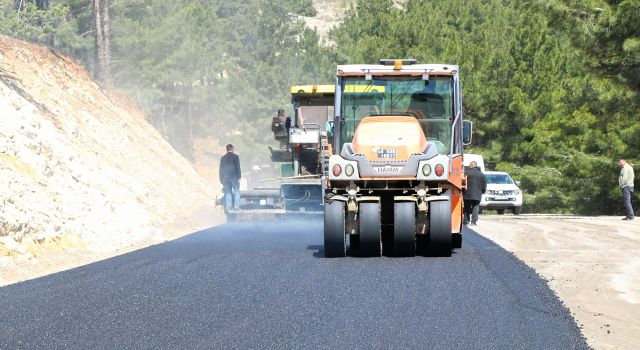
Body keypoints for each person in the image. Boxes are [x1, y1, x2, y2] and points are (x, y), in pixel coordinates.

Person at [219, 144, 241, 212]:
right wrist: (239, 176)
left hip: (226, 178)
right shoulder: (236, 156)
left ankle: (228, 207)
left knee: (228, 192)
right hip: (234, 177)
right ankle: (236, 207)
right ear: (232, 149)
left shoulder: (223, 158)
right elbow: (238, 167)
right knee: (236, 191)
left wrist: (221, 179)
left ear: (227, 149)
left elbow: (221, 169)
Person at [464, 161, 486, 226]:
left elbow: (462, 182)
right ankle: (473, 222)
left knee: (466, 207)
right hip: (477, 194)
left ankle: (466, 221)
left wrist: (462, 191)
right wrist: (483, 191)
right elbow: (484, 184)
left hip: (467, 193)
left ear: (471, 165)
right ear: (476, 166)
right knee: (475, 207)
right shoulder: (481, 174)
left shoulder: (466, 173)